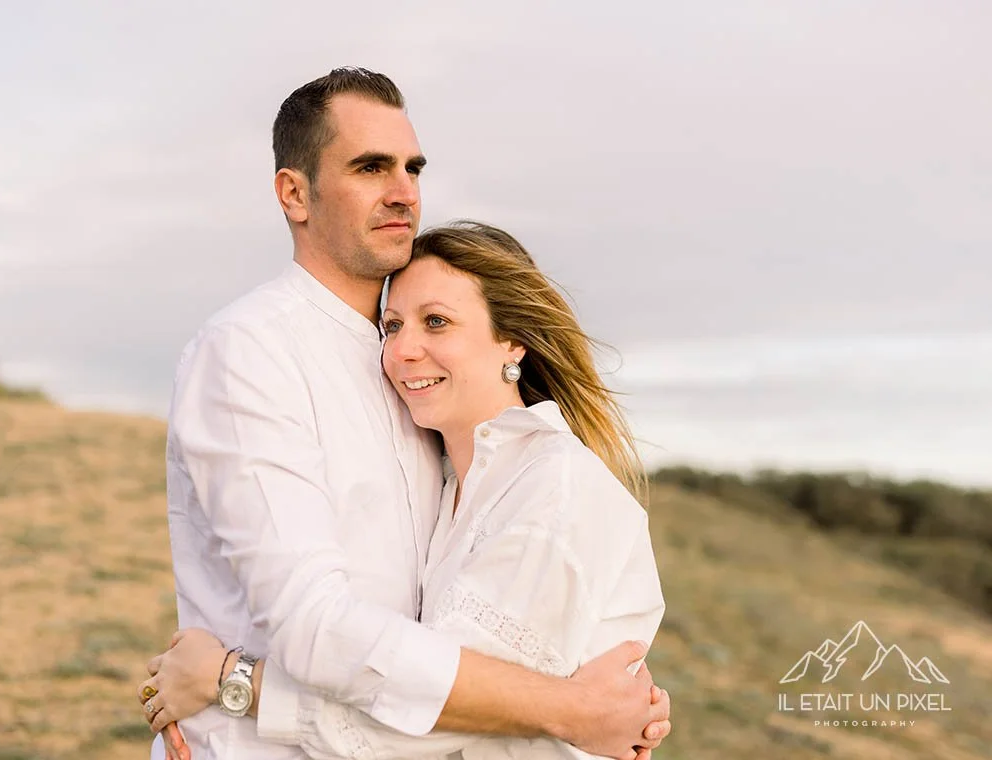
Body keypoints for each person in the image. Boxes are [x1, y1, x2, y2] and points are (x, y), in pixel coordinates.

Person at [138, 67, 671, 760]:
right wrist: (572, 709)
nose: (403, 192)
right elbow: (313, 627)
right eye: (370, 167)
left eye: (412, 168)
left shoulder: (432, 403)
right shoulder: (250, 353)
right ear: (294, 193)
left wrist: (591, 701)